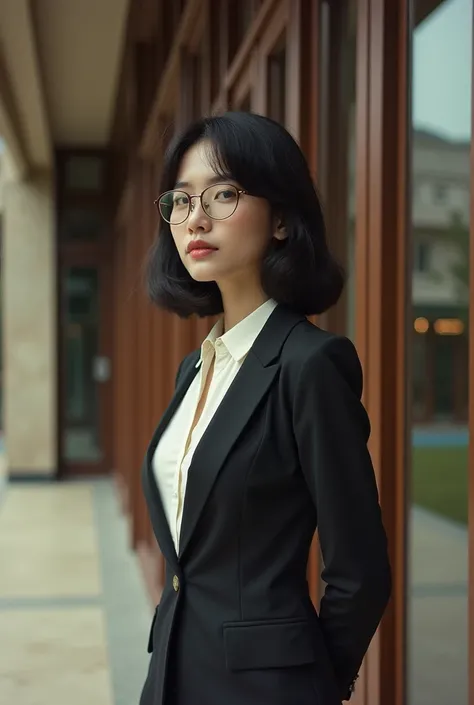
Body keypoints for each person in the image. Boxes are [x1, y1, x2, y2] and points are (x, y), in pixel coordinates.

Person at [140, 111, 391, 705]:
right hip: (173, 674)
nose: (196, 218)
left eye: (224, 193)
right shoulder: (197, 365)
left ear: (281, 218)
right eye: (180, 199)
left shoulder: (310, 365)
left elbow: (359, 571)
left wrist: (316, 684)